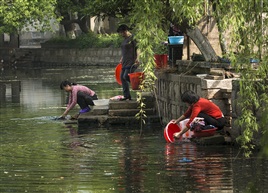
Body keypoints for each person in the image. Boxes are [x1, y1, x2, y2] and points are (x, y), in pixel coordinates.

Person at [117, 24, 139, 101]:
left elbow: (138, 48)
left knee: (126, 76)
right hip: (125, 62)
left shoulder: (132, 38)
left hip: (131, 61)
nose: (121, 34)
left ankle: (138, 86)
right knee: (122, 78)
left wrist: (138, 58)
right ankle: (127, 96)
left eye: (122, 32)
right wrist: (122, 58)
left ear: (126, 31)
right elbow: (125, 51)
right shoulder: (125, 40)